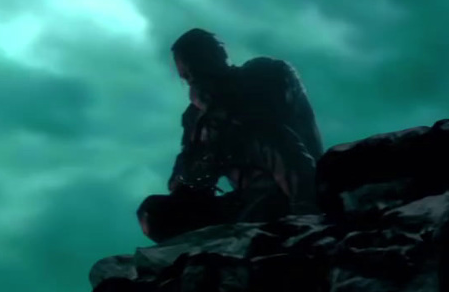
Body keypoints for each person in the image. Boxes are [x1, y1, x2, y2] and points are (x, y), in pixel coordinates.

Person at [136, 28, 324, 243]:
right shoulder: (197, 117)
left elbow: (273, 129)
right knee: (155, 213)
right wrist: (197, 162)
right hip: (247, 200)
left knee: (265, 137)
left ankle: (308, 220)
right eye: (188, 77)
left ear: (217, 60)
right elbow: (182, 177)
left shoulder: (266, 75)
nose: (195, 81)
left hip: (298, 189)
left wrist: (221, 114)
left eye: (199, 71)